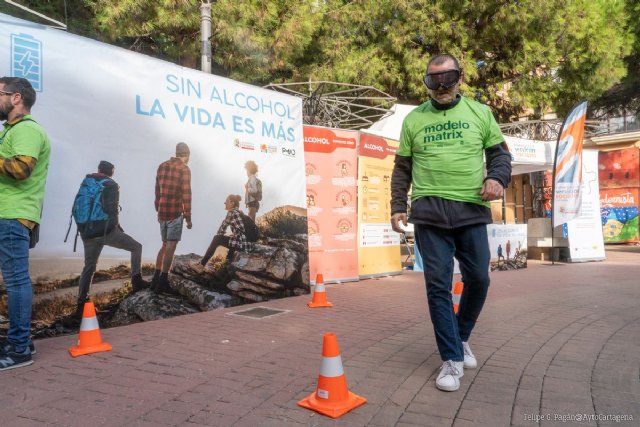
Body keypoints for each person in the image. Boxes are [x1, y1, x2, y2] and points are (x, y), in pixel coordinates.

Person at [390, 54, 512, 392]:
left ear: (460, 78)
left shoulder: (480, 112)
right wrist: (398, 205)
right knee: (438, 286)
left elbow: (501, 155)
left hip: (471, 209)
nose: (442, 86)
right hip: (429, 212)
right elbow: (402, 168)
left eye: (448, 78)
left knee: (479, 279)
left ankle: (461, 337)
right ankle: (451, 358)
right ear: (427, 82)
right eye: (434, 80)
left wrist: (497, 178)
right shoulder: (414, 119)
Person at [0, 77, 50, 370]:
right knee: (15, 280)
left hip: (12, 215)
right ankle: (19, 342)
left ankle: (19, 349)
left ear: (15, 97)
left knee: (17, 280)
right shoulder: (11, 131)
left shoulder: (27, 130)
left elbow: (21, 169)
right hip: (9, 214)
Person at [75, 161, 149, 320]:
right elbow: (112, 210)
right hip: (105, 231)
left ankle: (81, 303)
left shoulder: (88, 182)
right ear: (112, 172)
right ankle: (137, 281)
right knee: (136, 247)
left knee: (89, 266)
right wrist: (117, 227)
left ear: (99, 169)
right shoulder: (111, 185)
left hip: (87, 232)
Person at [153, 142, 192, 295]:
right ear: (187, 155)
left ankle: (155, 279)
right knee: (171, 246)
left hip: (162, 212)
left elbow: (157, 190)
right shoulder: (184, 169)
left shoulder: (162, 166)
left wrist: (158, 208)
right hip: (175, 213)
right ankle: (163, 281)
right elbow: (186, 194)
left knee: (164, 245)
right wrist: (188, 217)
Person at [192, 194, 254, 272]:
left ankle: (201, 265)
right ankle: (226, 266)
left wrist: (221, 238)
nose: (224, 203)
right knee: (232, 240)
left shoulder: (231, 212)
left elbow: (221, 230)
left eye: (226, 201)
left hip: (242, 244)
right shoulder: (239, 212)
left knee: (217, 239)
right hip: (248, 245)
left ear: (232, 203)